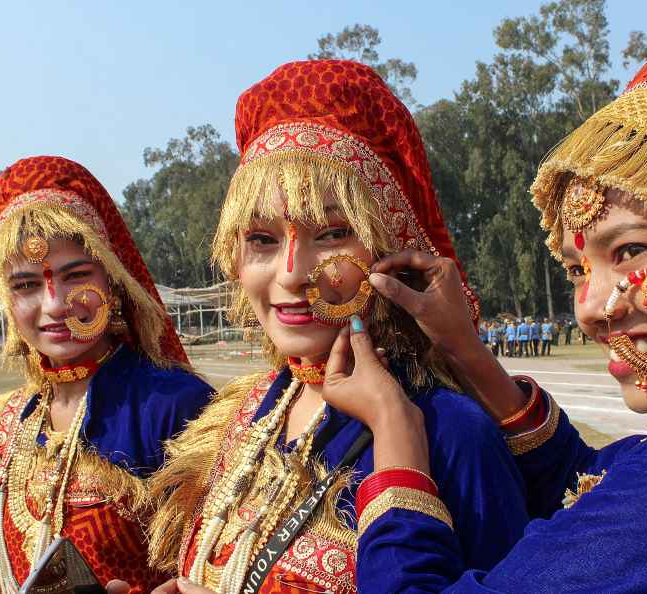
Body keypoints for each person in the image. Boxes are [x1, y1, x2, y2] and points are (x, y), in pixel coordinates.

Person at [320, 17, 647, 592]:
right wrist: (465, 348)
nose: (591, 308)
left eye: (632, 249)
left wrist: (395, 433)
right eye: (576, 269)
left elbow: (642, 512)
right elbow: (589, 485)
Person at [144, 60, 527, 594]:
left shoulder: (452, 433)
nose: (292, 273)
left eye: (331, 234)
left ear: (390, 252)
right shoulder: (241, 416)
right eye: (261, 239)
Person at [0, 156, 213, 594]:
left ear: (112, 280)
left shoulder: (177, 407)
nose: (54, 305)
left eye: (76, 276)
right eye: (26, 285)